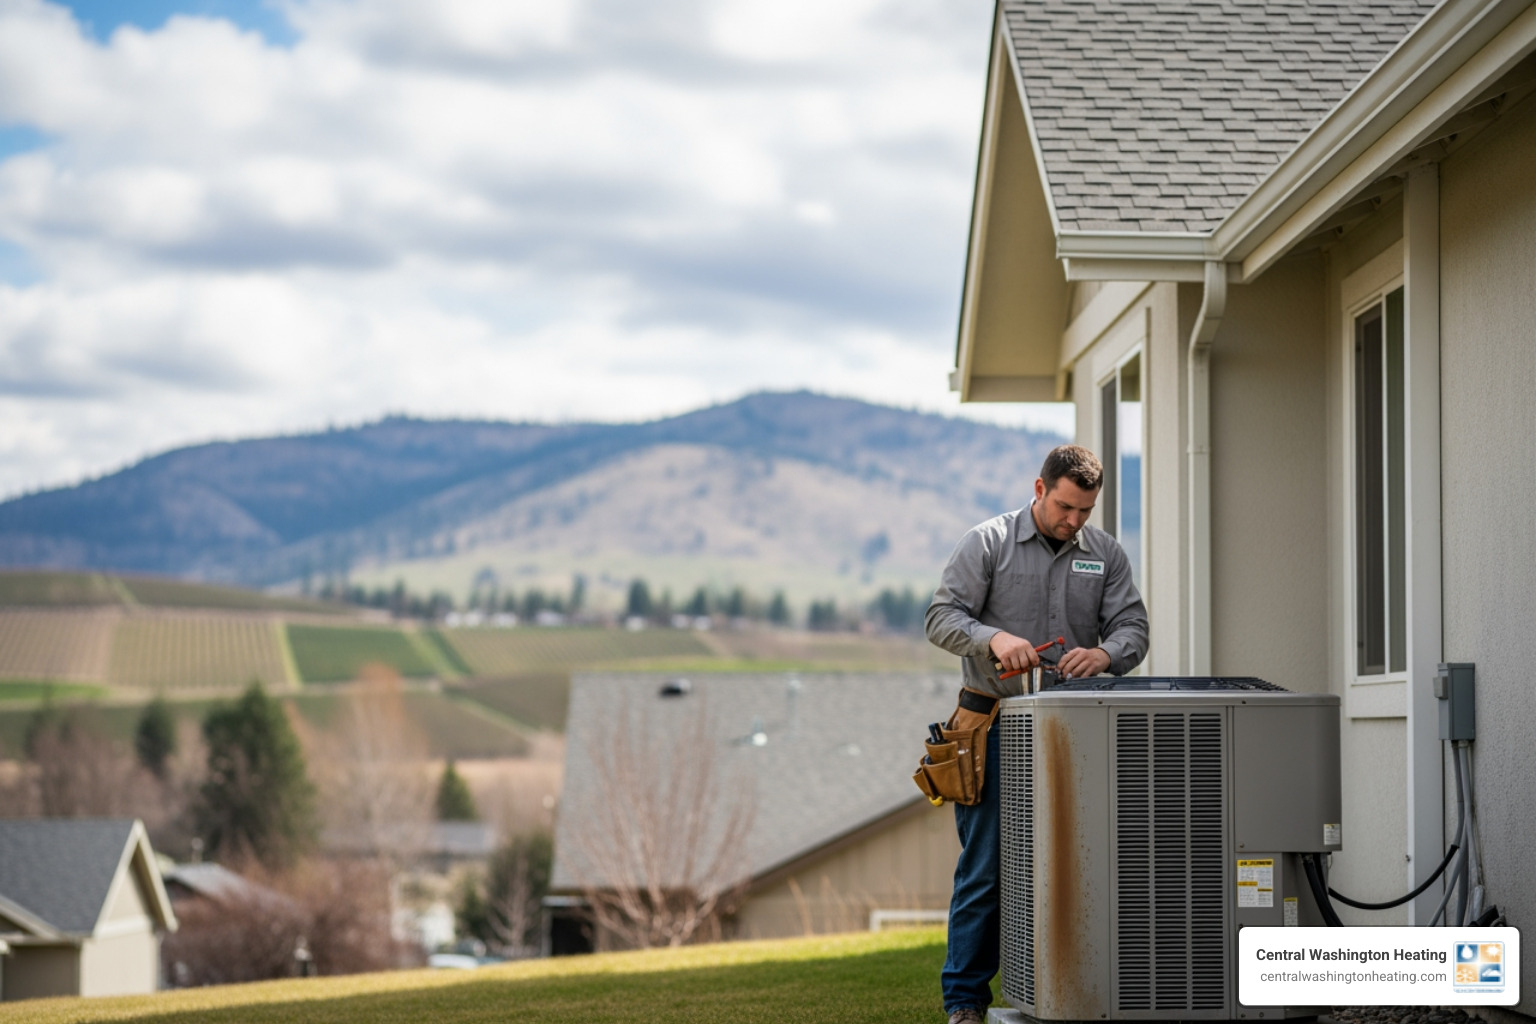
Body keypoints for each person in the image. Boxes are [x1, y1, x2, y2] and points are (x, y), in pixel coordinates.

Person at [925, 444, 1148, 1024]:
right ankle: (966, 1004)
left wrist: (1104, 654)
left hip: (1077, 733)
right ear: (1040, 488)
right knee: (987, 868)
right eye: (1066, 507)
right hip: (992, 727)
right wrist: (993, 639)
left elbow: (1134, 628)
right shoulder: (987, 543)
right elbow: (941, 618)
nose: (1074, 522)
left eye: (1085, 512)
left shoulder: (1106, 556)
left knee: (1084, 862)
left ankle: (1076, 990)